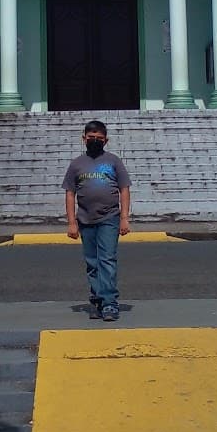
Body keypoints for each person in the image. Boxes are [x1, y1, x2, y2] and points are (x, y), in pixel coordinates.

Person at [63, 119, 131, 322]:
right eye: (91, 138)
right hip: (85, 219)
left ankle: (110, 302)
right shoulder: (76, 164)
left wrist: (124, 218)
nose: (94, 141)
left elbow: (124, 189)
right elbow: (69, 194)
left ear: (106, 140)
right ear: (83, 139)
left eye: (99, 139)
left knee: (107, 260)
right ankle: (97, 300)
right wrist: (71, 222)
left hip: (110, 217)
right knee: (92, 262)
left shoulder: (113, 161)